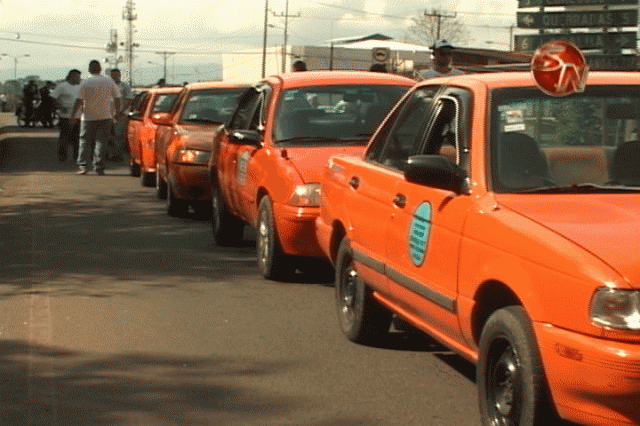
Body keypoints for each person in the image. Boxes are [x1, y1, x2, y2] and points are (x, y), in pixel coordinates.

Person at [71, 60, 122, 175]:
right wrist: (117, 112)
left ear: (89, 70)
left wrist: (73, 115)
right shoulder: (109, 82)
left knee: (84, 141)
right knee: (101, 142)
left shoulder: (85, 83)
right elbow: (118, 98)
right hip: (105, 117)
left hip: (88, 117)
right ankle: (99, 167)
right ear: (100, 69)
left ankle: (83, 166)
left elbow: (79, 100)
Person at [52, 69, 82, 162]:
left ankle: (76, 156)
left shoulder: (79, 87)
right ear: (72, 77)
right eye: (77, 77)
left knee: (77, 138)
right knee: (65, 137)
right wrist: (60, 107)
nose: (79, 79)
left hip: (78, 116)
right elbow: (53, 98)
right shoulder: (62, 86)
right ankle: (62, 156)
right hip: (65, 116)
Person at [108, 68, 134, 162]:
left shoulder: (124, 86)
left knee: (118, 135)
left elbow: (129, 99)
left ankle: (118, 154)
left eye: (116, 75)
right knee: (108, 135)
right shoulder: (108, 86)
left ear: (119, 75)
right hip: (108, 114)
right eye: (113, 75)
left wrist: (120, 111)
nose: (115, 76)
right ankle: (109, 154)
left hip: (121, 114)